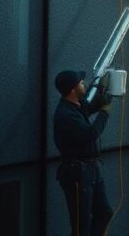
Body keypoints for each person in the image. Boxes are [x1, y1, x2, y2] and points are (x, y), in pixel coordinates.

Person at [53, 70, 114, 236]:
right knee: (81, 224)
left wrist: (102, 92)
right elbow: (90, 133)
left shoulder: (75, 105)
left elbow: (88, 107)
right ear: (73, 89)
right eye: (80, 83)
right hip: (77, 173)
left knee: (104, 213)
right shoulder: (66, 115)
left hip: (90, 169)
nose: (84, 84)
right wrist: (105, 111)